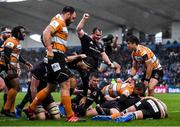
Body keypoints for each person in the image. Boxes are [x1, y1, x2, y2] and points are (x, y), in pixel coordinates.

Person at [23, 6, 81, 122]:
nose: (73, 20)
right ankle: (70, 116)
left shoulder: (61, 22)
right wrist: (49, 48)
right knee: (66, 83)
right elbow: (46, 32)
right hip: (55, 57)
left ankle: (31, 108)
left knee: (50, 87)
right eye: (73, 18)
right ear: (68, 14)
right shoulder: (58, 21)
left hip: (55, 57)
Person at [76, 13, 115, 98]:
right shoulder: (86, 38)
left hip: (94, 68)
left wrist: (109, 63)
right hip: (85, 66)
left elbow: (104, 54)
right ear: (92, 33)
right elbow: (78, 30)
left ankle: (87, 101)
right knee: (86, 87)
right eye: (97, 35)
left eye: (100, 36)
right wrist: (84, 19)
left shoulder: (100, 45)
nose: (98, 37)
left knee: (93, 89)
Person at [0, 26, 32, 117]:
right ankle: (6, 109)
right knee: (16, 86)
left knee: (12, 88)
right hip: (3, 68)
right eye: (23, 32)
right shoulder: (11, 41)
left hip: (5, 67)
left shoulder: (17, 42)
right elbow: (6, 52)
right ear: (18, 33)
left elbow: (17, 56)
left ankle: (10, 110)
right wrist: (9, 65)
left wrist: (26, 62)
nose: (25, 34)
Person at [92, 96, 168, 122]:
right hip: (160, 113)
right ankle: (131, 116)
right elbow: (165, 113)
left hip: (148, 101)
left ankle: (112, 117)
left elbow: (132, 107)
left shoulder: (145, 99)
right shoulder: (159, 102)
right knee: (137, 114)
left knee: (130, 111)